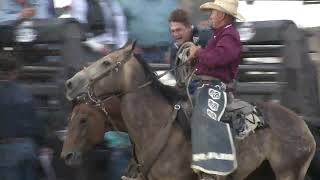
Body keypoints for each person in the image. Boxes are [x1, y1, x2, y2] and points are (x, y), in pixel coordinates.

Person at [186, 0, 245, 179]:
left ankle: (212, 172)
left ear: (223, 16)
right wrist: (195, 59)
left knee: (204, 117)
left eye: (213, 12)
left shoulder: (230, 36)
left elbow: (217, 58)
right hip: (204, 85)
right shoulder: (217, 35)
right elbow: (209, 60)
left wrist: (198, 53)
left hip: (217, 88)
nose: (211, 16)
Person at [0, 55, 54, 180]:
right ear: (15, 72)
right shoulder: (26, 93)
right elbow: (37, 121)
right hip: (29, 147)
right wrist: (44, 145)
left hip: (6, 148)